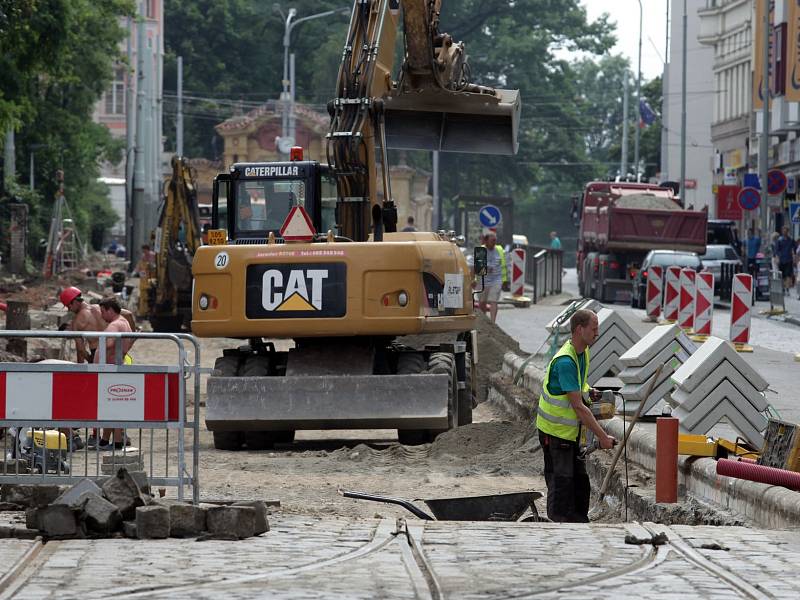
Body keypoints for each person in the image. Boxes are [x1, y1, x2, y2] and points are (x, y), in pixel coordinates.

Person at [536, 309, 616, 522]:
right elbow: (578, 407)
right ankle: (559, 524)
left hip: (569, 433)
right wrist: (602, 437)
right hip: (555, 433)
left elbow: (578, 386)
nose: (597, 333)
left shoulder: (583, 352)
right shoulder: (566, 362)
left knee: (580, 482)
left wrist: (589, 390)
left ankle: (579, 522)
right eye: (594, 328)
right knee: (562, 482)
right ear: (580, 330)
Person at [93, 297, 134, 450]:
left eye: (103, 312)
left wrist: (99, 343)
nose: (102, 316)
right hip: (116, 366)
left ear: (110, 310)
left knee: (111, 407)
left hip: (109, 369)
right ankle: (105, 440)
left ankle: (116, 442)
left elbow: (109, 343)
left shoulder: (115, 325)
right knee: (111, 406)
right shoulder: (125, 322)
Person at [475, 230, 508, 323]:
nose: (494, 243)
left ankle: (493, 323)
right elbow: (476, 269)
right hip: (483, 281)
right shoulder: (480, 250)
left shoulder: (499, 250)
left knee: (494, 301)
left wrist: (505, 280)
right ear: (486, 241)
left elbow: (505, 264)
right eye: (492, 241)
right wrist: (485, 269)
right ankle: (485, 322)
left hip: (496, 280)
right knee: (482, 302)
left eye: (495, 240)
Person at [774, 227, 795, 292]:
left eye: (786, 231)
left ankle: (787, 288)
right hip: (782, 259)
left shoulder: (790, 240)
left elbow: (794, 248)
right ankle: (783, 287)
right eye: (783, 231)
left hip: (789, 259)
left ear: (787, 232)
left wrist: (794, 256)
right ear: (782, 232)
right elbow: (776, 250)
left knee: (788, 274)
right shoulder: (779, 240)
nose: (785, 232)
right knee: (782, 275)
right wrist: (777, 258)